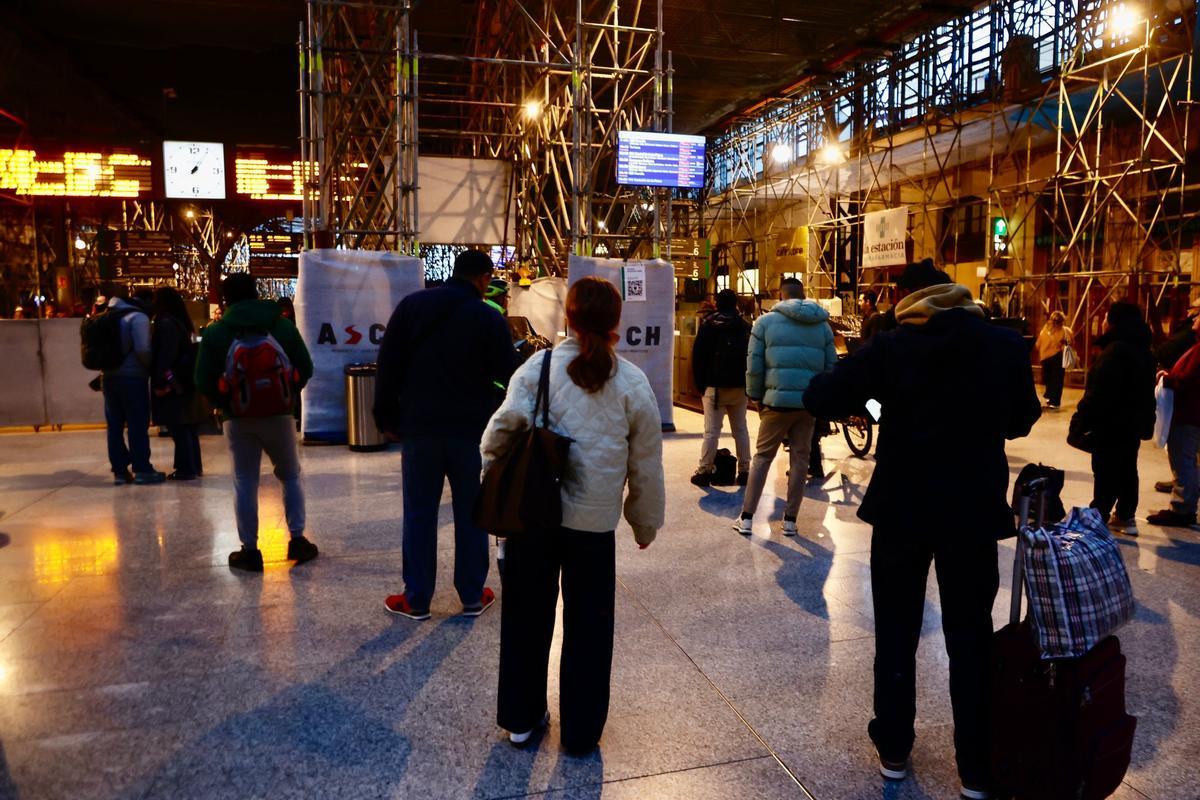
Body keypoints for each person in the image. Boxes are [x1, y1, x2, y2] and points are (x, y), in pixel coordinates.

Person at [803, 264, 1041, 800]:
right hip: (972, 512)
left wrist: (876, 404)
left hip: (902, 509)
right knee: (970, 637)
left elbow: (821, 397)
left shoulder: (892, 346)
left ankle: (893, 747)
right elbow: (1023, 419)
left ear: (909, 298)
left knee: (896, 630)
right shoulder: (1003, 344)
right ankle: (976, 770)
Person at [481, 276, 665, 752]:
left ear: (568, 316)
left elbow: (497, 436)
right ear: (616, 324)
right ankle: (581, 732)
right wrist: (644, 521)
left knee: (526, 617)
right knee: (589, 626)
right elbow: (645, 462)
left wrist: (495, 480)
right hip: (593, 526)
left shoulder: (536, 369)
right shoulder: (631, 381)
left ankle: (521, 719)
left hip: (533, 519)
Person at [374, 249, 519, 620]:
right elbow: (511, 375)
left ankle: (417, 599)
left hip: (420, 429)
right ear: (484, 279)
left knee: (420, 512)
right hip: (471, 431)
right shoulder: (488, 318)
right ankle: (472, 595)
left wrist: (386, 415)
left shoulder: (411, 307)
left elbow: (388, 365)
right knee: (472, 512)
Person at [195, 274, 317, 572]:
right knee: (289, 476)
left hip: (238, 419)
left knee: (245, 481)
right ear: (256, 292)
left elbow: (201, 380)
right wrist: (285, 395)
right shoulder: (281, 326)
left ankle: (250, 551)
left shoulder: (217, 333)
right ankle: (298, 540)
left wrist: (226, 405)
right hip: (280, 416)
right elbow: (307, 366)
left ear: (226, 299)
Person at [738, 277, 837, 536]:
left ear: (780, 295)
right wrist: (822, 398)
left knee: (762, 458)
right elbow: (831, 367)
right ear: (803, 295)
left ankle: (747, 518)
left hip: (776, 402)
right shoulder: (822, 325)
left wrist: (755, 396)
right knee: (801, 460)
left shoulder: (765, 322)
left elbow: (754, 365)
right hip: (808, 404)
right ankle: (791, 521)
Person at [1069, 301, 1156, 536]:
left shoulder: (1114, 352)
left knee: (1105, 469)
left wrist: (1081, 419)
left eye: (1107, 317)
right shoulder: (1144, 352)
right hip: (1132, 424)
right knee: (1128, 468)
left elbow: (1097, 393)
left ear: (1115, 322)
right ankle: (1126, 515)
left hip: (1109, 423)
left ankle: (1099, 516)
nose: (1104, 321)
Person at [103, 288, 165, 485]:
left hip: (109, 377)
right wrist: (150, 369)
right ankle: (142, 469)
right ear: (146, 300)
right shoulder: (138, 318)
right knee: (137, 424)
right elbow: (143, 349)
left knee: (114, 426)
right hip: (132, 378)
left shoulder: (108, 314)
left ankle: (120, 472)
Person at [690, 288, 752, 487]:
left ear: (717, 303)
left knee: (711, 432)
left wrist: (701, 385)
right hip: (740, 387)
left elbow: (698, 356)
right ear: (736, 303)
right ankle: (744, 471)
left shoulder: (709, 324)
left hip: (715, 388)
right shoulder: (744, 325)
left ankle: (705, 471)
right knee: (740, 430)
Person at [1148, 310, 1200, 528]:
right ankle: (1185, 503)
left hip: (1188, 414)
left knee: (1183, 460)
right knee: (1187, 460)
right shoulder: (1195, 347)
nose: (1194, 320)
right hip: (1190, 413)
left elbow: (1189, 381)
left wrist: (1166, 378)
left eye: (1197, 317)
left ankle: (1182, 508)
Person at [151, 287, 203, 480]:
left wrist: (160, 382)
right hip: (184, 379)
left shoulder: (165, 323)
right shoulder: (182, 322)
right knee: (188, 425)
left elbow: (165, 356)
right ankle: (193, 466)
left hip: (173, 380)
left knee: (178, 425)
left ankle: (186, 468)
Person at [1035, 311, 1072, 409]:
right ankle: (1054, 401)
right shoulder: (1065, 330)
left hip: (1045, 358)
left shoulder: (1044, 330)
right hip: (1057, 357)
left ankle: (1050, 398)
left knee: (1049, 379)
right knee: (1057, 380)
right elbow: (1070, 342)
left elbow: (1037, 345)